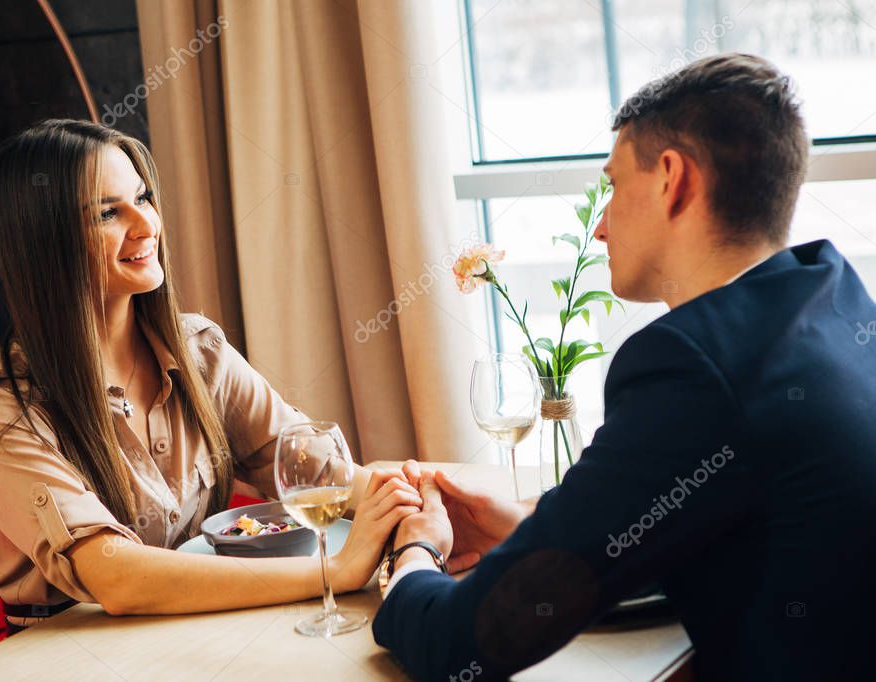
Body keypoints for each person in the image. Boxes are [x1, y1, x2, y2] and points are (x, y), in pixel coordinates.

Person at [372, 54, 876, 681]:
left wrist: (414, 555)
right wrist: (532, 527)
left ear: (672, 178)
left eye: (613, 184)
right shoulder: (835, 297)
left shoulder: (692, 367)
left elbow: (463, 643)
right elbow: (741, 512)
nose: (602, 226)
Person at [0, 119, 421, 634]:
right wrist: (335, 571)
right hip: (68, 650)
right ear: (45, 241)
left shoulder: (199, 347)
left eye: (144, 197)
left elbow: (314, 474)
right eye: (109, 213)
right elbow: (114, 575)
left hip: (199, 624)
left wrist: (410, 496)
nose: (146, 223)